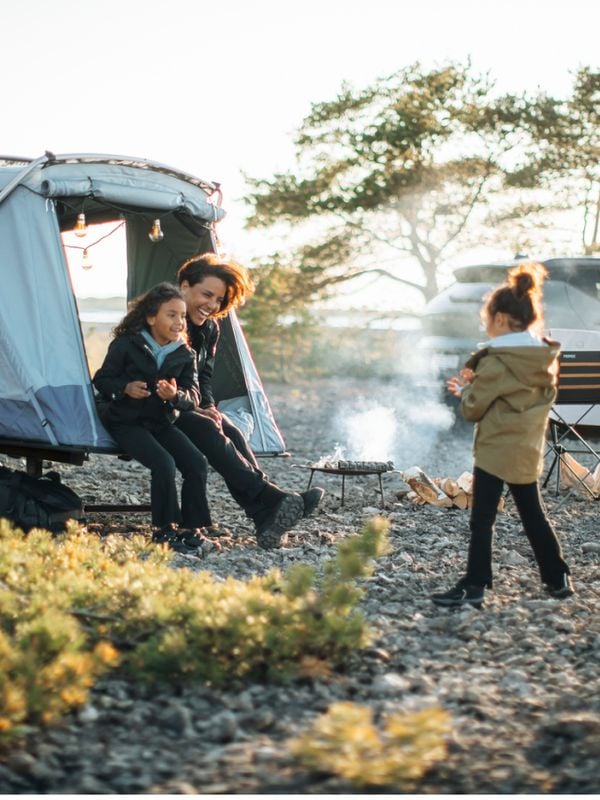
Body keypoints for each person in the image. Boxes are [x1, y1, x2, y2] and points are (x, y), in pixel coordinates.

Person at [431, 261, 574, 609]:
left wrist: (465, 391)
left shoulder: (496, 360)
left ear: (498, 319)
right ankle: (557, 578)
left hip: (495, 451)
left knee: (482, 520)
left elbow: (472, 409)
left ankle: (475, 584)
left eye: (485, 316)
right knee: (533, 515)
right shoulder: (543, 358)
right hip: (526, 449)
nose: (484, 322)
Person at [175, 252, 324, 549]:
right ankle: (272, 500)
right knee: (208, 428)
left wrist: (209, 406)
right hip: (163, 405)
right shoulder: (169, 319)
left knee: (228, 427)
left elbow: (204, 375)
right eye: (207, 294)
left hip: (189, 405)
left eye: (218, 300)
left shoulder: (209, 328)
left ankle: (263, 514)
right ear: (184, 286)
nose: (212, 305)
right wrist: (195, 407)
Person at [93, 282, 210, 552]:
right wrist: (124, 388)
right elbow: (102, 379)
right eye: (171, 314)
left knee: (196, 462)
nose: (179, 321)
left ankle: (192, 528)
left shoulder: (184, 354)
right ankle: (164, 529)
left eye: (182, 315)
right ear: (150, 317)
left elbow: (193, 396)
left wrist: (174, 397)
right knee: (164, 464)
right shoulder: (126, 344)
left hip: (160, 422)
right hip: (125, 421)